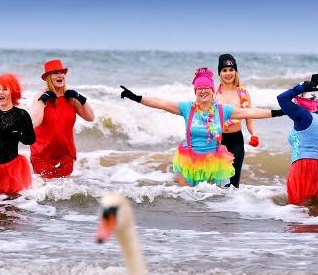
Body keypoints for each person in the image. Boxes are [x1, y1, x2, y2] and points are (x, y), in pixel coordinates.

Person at [119, 67, 284, 187]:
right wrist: (135, 97)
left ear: (213, 91)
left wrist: (279, 112)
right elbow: (161, 103)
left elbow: (251, 112)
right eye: (199, 88)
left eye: (206, 88)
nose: (203, 91)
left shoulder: (222, 110)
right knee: (189, 203)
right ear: (195, 91)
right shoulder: (186, 108)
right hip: (188, 162)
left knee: (211, 206)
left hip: (214, 164)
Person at [276, 70, 318, 204]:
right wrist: (313, 85)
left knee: (299, 212)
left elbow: (282, 98)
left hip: (304, 166)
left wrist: (301, 87)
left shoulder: (303, 116)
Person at [30, 59, 95, 178]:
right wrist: (43, 100)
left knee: (64, 194)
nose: (60, 75)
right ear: (48, 77)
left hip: (66, 154)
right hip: (43, 155)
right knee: (44, 193)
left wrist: (81, 98)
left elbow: (90, 117)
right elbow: (36, 121)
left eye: (62, 72)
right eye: (55, 73)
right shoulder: (40, 96)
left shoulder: (70, 98)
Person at [215, 53, 258, 188]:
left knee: (233, 184)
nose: (228, 73)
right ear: (220, 73)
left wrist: (254, 135)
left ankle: (231, 208)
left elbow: (249, 119)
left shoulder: (243, 93)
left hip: (236, 141)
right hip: (216, 140)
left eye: (231, 69)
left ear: (236, 71)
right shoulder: (213, 92)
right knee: (215, 184)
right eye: (224, 70)